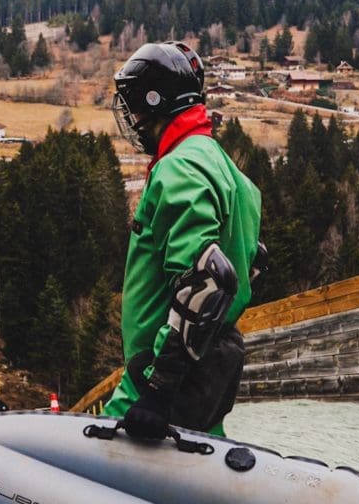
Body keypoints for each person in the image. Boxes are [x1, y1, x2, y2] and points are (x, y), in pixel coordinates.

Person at [103, 41, 265, 440]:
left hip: (160, 378)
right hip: (210, 369)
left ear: (155, 102)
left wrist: (157, 391)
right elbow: (250, 266)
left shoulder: (178, 169)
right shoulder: (227, 170)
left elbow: (207, 283)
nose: (134, 118)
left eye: (135, 106)